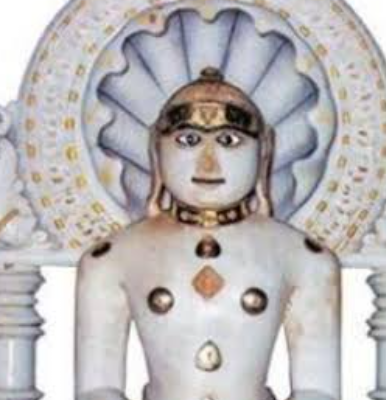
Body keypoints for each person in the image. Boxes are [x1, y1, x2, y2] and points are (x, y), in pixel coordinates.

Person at [76, 67, 341, 400]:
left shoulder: (304, 258)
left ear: (263, 151)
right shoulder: (111, 259)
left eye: (229, 141)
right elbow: (97, 387)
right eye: (188, 140)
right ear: (156, 149)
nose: (208, 164)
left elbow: (317, 390)